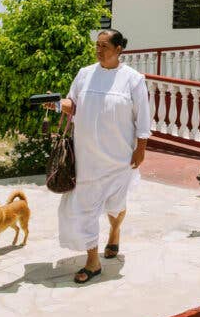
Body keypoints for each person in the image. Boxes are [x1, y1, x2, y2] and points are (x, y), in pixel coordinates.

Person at [47, 29, 151, 283]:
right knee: (84, 208)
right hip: (86, 158)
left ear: (119, 50)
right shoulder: (84, 74)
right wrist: (59, 104)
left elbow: (143, 116)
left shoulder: (133, 80)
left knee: (116, 204)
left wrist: (141, 148)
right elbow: (74, 103)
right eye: (97, 45)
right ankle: (92, 261)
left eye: (105, 46)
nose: (99, 50)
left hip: (118, 158)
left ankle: (114, 232)